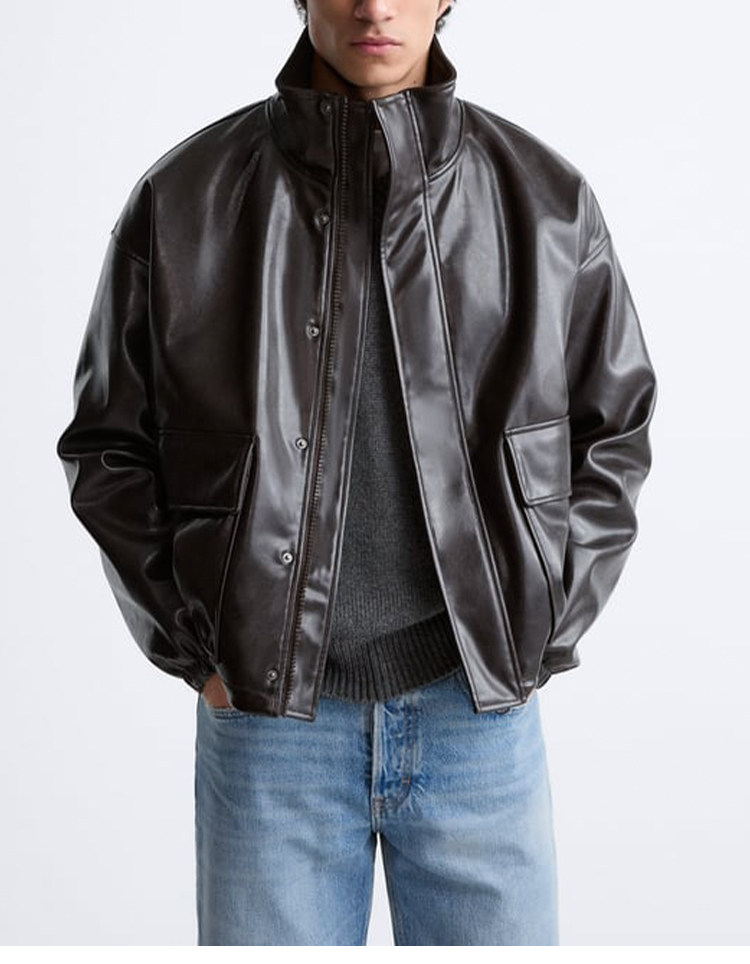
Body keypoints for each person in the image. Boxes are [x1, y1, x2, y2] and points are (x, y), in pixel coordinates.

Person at [56, 0, 658, 946]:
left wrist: (541, 625)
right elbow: (108, 445)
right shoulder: (184, 200)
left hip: (477, 720)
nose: (374, 6)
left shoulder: (544, 202)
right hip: (271, 728)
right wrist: (196, 648)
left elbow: (613, 428)